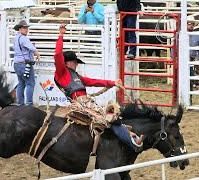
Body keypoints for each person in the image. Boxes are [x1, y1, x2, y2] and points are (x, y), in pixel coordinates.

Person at [54, 24, 144, 152]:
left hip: (86, 103)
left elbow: (93, 81)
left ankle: (126, 136)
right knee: (109, 118)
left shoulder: (75, 75)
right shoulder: (61, 73)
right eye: (75, 62)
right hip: (81, 104)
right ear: (68, 62)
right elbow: (58, 55)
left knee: (109, 116)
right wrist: (61, 35)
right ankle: (133, 143)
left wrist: (113, 83)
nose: (76, 65)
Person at [13, 20, 40, 106]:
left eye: (26, 28)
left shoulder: (16, 38)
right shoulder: (24, 38)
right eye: (24, 28)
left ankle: (20, 104)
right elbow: (32, 48)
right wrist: (38, 54)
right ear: (20, 29)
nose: (26, 29)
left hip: (17, 64)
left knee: (21, 83)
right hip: (24, 64)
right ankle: (29, 104)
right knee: (30, 83)